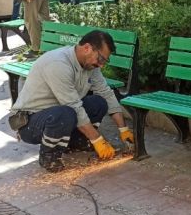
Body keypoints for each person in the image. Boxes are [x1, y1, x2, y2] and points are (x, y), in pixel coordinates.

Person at [8, 30, 134, 172]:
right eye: (100, 59)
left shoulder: (90, 65)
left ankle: (76, 142)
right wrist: (98, 140)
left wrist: (123, 129)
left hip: (59, 112)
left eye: (104, 61)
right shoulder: (58, 64)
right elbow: (73, 106)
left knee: (98, 103)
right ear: (87, 48)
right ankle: (49, 156)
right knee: (66, 113)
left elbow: (106, 93)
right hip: (30, 122)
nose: (102, 65)